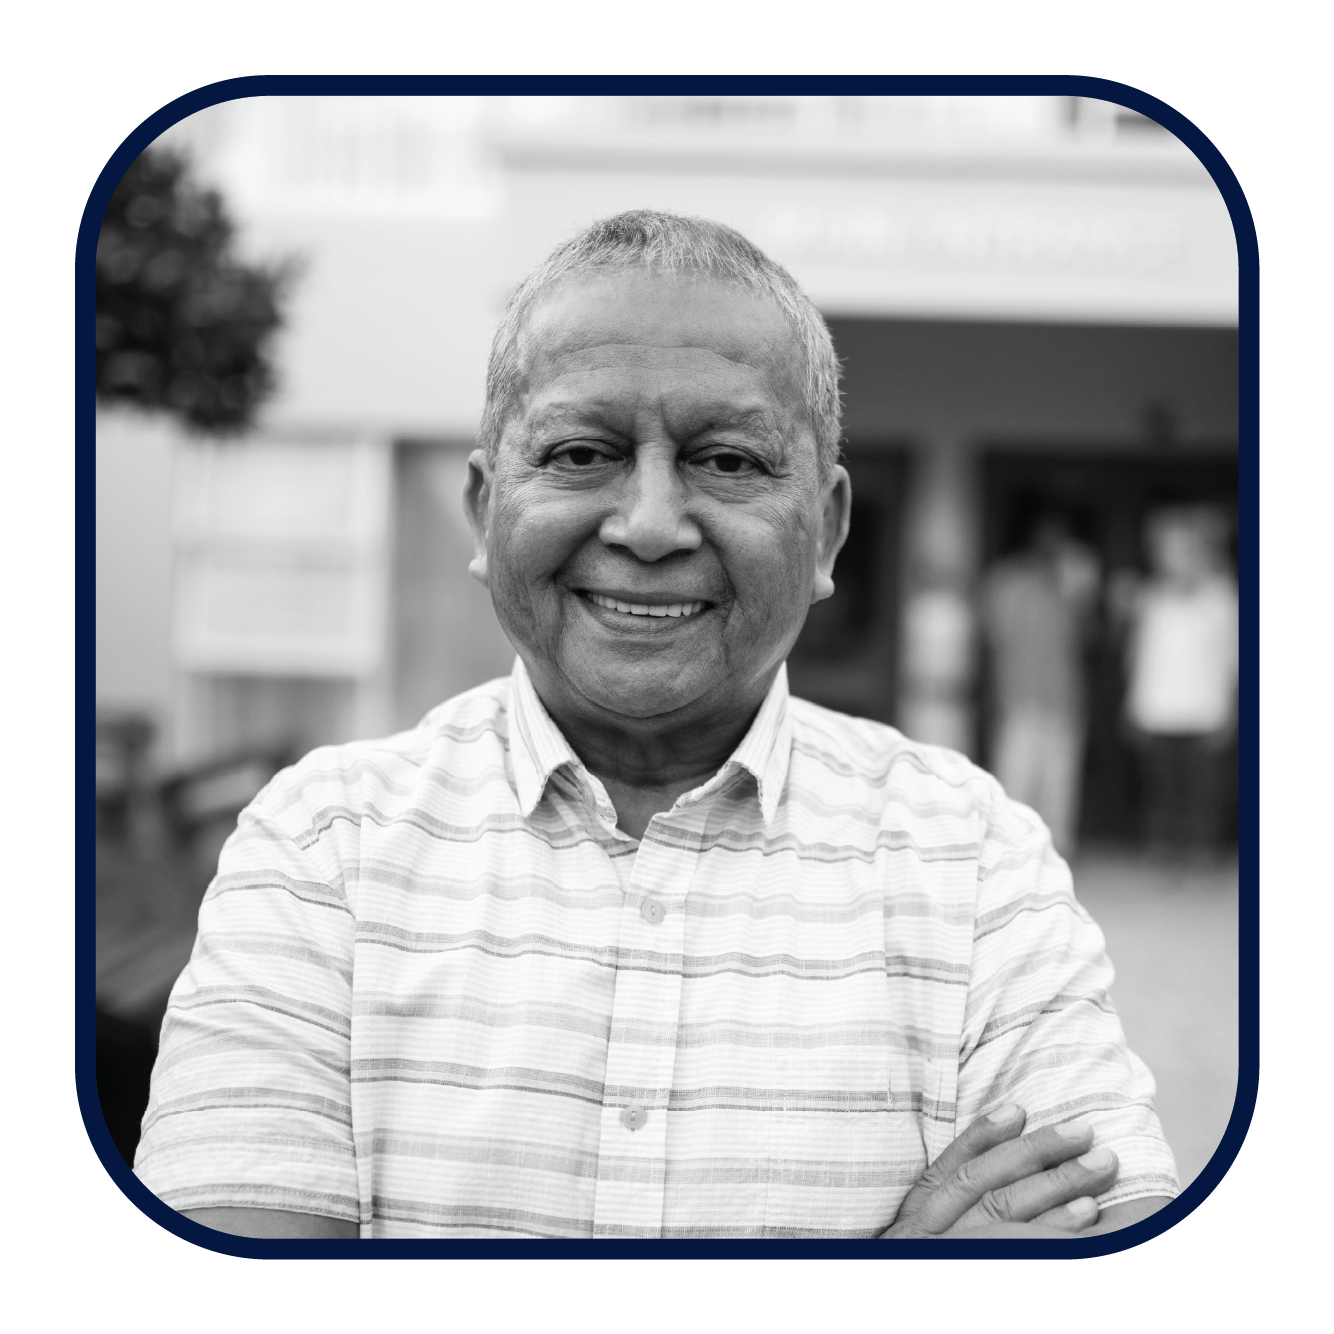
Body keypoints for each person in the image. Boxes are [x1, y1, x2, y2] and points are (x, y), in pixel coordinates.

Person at [133, 211, 1177, 1239]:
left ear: (829, 526)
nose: (646, 525)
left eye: (726, 461)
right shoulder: (321, 847)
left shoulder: (974, 857)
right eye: (581, 452)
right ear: (482, 512)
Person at [1119, 506, 1239, 858]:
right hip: (1157, 710)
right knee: (1161, 792)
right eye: (1165, 552)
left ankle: (1200, 857)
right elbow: (1140, 659)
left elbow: (1233, 661)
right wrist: (1133, 706)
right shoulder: (1151, 600)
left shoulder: (1222, 599)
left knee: (1203, 795)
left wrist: (1231, 710)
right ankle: (1164, 857)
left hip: (1205, 712)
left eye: (1181, 551)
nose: (1172, 560)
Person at [980, 510, 1100, 856]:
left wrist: (1079, 592)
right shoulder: (1006, 582)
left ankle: (1056, 862)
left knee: (1059, 793)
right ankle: (1013, 859)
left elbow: (1090, 639)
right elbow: (993, 641)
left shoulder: (1073, 584)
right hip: (1019, 700)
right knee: (1015, 789)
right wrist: (995, 698)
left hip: (1064, 701)